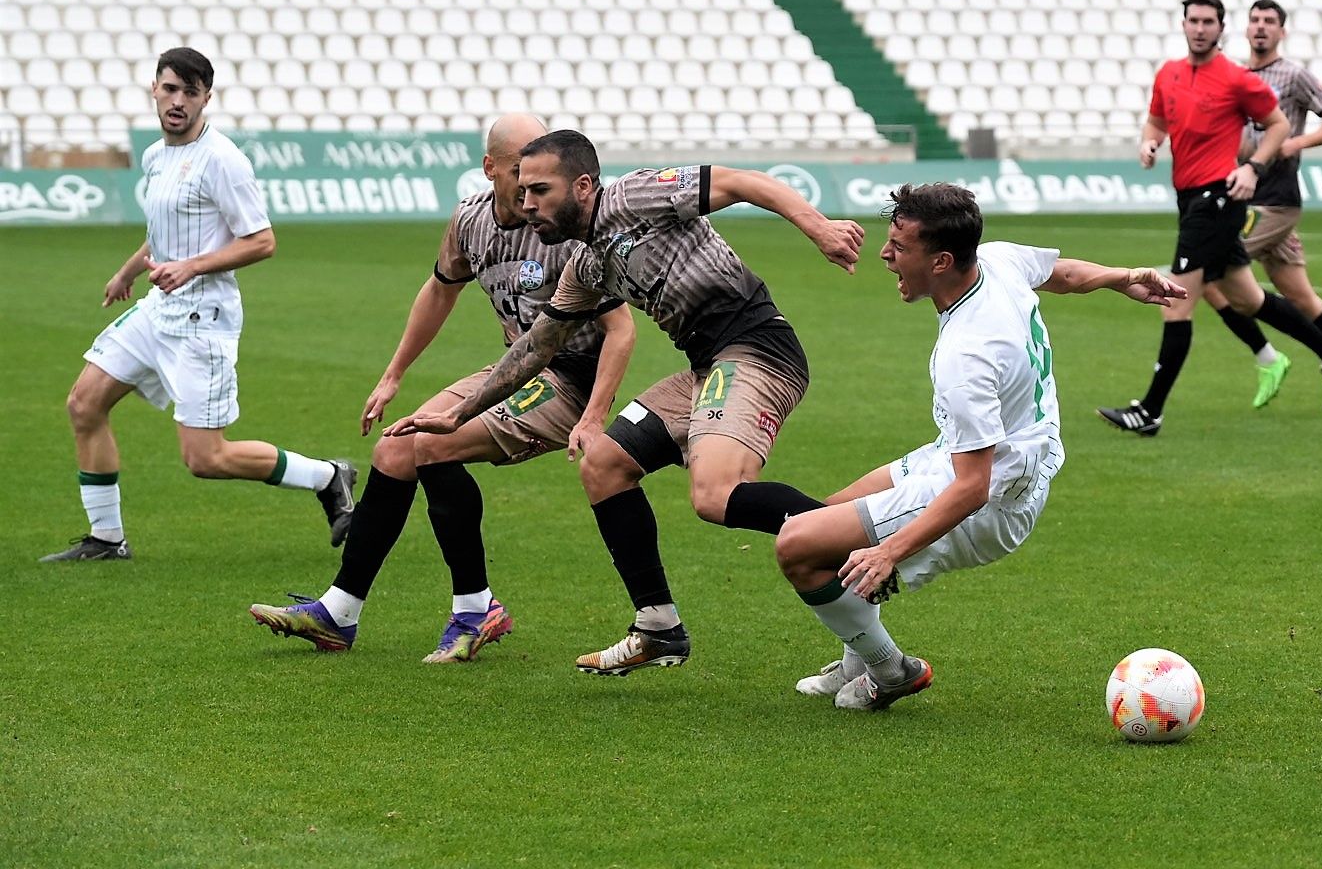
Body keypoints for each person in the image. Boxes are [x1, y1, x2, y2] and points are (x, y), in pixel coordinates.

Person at [386, 130, 865, 674]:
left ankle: (865, 534)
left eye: (540, 190)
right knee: (605, 465)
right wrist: (458, 413)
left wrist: (819, 227)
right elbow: (537, 347)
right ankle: (658, 626)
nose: (527, 205)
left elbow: (740, 182)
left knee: (715, 495)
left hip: (758, 349)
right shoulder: (587, 267)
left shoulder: (635, 196)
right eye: (522, 193)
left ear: (584, 186)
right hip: (706, 366)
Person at [773, 183, 1186, 710]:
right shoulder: (993, 260)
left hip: (993, 499)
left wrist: (890, 552)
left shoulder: (968, 355)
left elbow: (972, 487)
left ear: (941, 260)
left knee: (798, 547)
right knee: (824, 518)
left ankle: (891, 670)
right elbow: (1061, 274)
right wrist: (1124, 278)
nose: (885, 255)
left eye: (899, 248)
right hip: (983, 458)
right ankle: (861, 655)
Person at [249, 115, 638, 661]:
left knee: (433, 444)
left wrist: (593, 415)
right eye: (518, 170)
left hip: (571, 383)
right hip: (514, 370)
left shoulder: (565, 228)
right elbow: (439, 290)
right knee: (393, 449)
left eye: (539, 171)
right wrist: (393, 375)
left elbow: (622, 330)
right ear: (490, 168)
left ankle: (476, 609)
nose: (530, 185)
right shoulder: (471, 220)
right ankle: (339, 612)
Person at [43, 47, 354, 562]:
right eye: (170, 89)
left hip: (201, 319)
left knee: (205, 458)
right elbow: (163, 229)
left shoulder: (224, 160)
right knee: (84, 404)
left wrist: (190, 266)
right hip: (157, 309)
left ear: (207, 97)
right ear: (155, 90)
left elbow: (261, 241)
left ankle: (328, 476)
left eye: (191, 92)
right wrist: (131, 267)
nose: (178, 101)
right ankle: (106, 538)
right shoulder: (155, 155)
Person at [1096, 0, 1322, 437]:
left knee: (1175, 302)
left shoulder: (1237, 79)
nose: (1199, 28)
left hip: (1218, 199)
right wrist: (1149, 141)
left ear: (1220, 29)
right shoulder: (1169, 73)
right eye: (1193, 20)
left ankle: (1150, 410)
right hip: (1188, 197)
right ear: (1183, 25)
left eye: (1208, 22)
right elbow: (1157, 119)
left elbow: (1278, 125)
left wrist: (1254, 168)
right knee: (1248, 298)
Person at [1204, 0, 1322, 417]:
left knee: (1208, 273)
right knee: (1301, 297)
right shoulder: (1236, 76)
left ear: (1282, 31)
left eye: (1270, 21)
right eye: (1255, 21)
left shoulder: (1294, 75)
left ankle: (1268, 357)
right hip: (1247, 197)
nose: (1261, 27)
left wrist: (1294, 143)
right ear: (1245, 29)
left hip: (1275, 199)